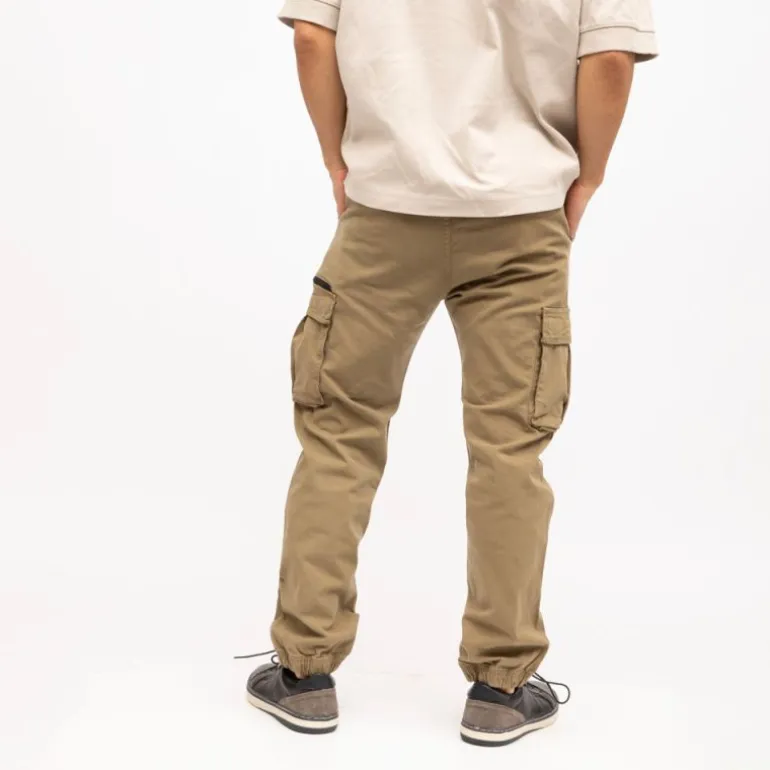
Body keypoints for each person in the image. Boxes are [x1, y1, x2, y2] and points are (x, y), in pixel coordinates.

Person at [241, 0, 658, 747]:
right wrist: (587, 179)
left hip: (383, 211)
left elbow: (310, 36)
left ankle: (304, 675)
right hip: (524, 216)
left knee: (339, 435)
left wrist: (339, 162)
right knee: (510, 452)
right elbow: (610, 61)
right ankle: (501, 689)